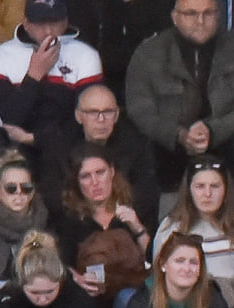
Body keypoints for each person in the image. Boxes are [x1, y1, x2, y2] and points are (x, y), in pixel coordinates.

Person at [124, 0, 234, 214]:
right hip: (169, 141)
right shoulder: (148, 53)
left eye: (208, 13)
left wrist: (212, 130)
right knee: (142, 150)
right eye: (191, 14)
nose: (200, 21)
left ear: (218, 15)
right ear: (175, 17)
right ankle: (150, 226)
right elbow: (139, 110)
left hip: (223, 137)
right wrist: (179, 134)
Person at [155, 157, 234, 308]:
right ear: (189, 190)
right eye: (200, 186)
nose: (207, 194)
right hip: (187, 301)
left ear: (226, 190)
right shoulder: (170, 226)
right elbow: (159, 275)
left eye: (215, 186)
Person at [0, 0, 105, 150]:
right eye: (40, 23)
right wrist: (34, 76)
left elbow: (87, 121)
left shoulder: (86, 55)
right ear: (26, 23)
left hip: (69, 148)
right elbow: (4, 121)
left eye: (54, 22)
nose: (48, 31)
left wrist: (35, 139)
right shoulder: (0, 56)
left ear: (65, 22)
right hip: (15, 149)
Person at [40, 85, 161, 233]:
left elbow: (146, 193)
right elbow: (52, 196)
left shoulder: (135, 144)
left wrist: (111, 219)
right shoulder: (59, 145)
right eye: (93, 112)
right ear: (78, 116)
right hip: (75, 226)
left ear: (117, 115)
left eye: (108, 112)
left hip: (123, 225)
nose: (101, 119)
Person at [51, 144, 151, 308]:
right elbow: (60, 262)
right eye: (86, 176)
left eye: (100, 172)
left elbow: (155, 258)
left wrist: (137, 227)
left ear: (112, 172)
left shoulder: (136, 207)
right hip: (89, 297)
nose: (95, 182)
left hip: (135, 295)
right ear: (76, 181)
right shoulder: (68, 219)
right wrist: (77, 279)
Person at [0, 149, 49, 308]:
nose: (19, 193)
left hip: (38, 303)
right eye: (11, 188)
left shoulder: (45, 222)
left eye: (26, 187)